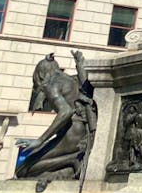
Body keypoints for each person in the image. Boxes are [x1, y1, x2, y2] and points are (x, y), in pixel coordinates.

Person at [16, 50, 95, 185]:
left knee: (23, 169)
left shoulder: (51, 84)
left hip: (71, 134)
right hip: (81, 133)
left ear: (40, 74)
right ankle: (67, 166)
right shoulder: (71, 79)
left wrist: (40, 140)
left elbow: (66, 111)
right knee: (33, 161)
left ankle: (72, 160)